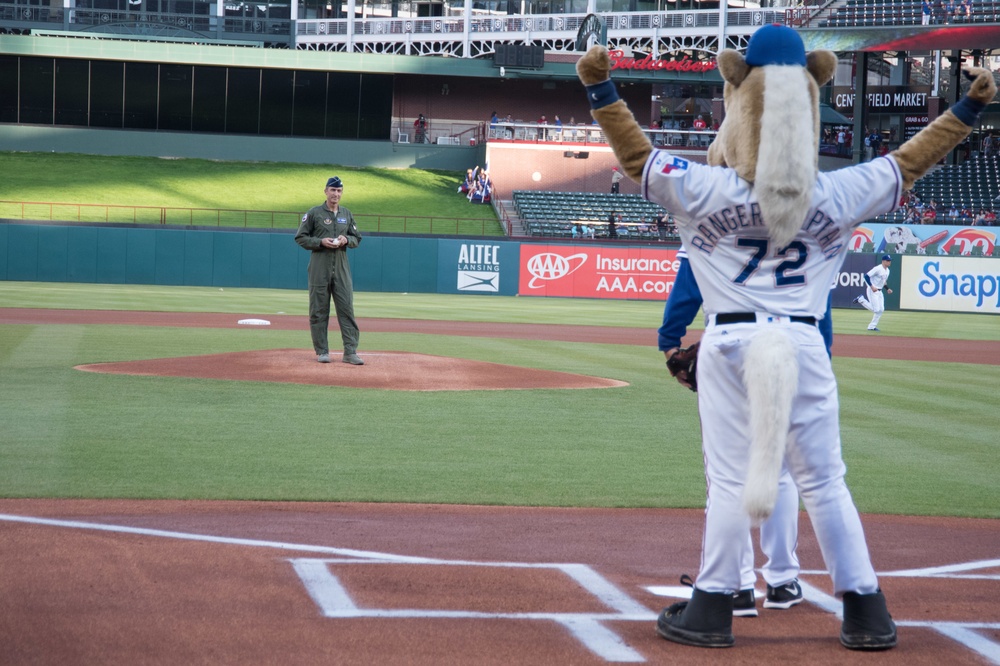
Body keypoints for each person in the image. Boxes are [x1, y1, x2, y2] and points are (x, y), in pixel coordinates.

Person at [577, 22, 993, 652]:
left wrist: (601, 87)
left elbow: (636, 157)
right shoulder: (838, 189)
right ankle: (867, 612)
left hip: (730, 342)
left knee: (727, 478)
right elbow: (912, 160)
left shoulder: (706, 187)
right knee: (826, 481)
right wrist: (967, 106)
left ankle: (714, 607)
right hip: (803, 343)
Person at [660, 246, 811, 617]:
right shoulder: (808, 210)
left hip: (728, 340)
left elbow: (689, 284)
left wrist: (669, 342)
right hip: (789, 340)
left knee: (727, 474)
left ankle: (736, 586)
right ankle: (782, 580)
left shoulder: (717, 207)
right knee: (781, 468)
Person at [294, 176, 364, 365]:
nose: (336, 194)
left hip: (341, 268)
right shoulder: (314, 213)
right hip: (319, 267)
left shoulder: (346, 214)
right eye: (333, 190)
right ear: (326, 191)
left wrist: (346, 240)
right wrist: (320, 242)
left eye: (339, 191)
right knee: (318, 310)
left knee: (346, 309)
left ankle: (350, 352)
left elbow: (357, 238)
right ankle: (322, 351)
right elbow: (300, 237)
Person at [853, 255, 893, 332]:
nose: (889, 262)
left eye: (890, 260)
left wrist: (887, 289)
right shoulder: (877, 268)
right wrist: (872, 287)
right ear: (883, 261)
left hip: (880, 291)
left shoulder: (888, 271)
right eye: (888, 260)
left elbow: (883, 281)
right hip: (873, 290)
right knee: (876, 310)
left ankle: (871, 326)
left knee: (881, 309)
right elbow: (866, 276)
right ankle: (861, 299)